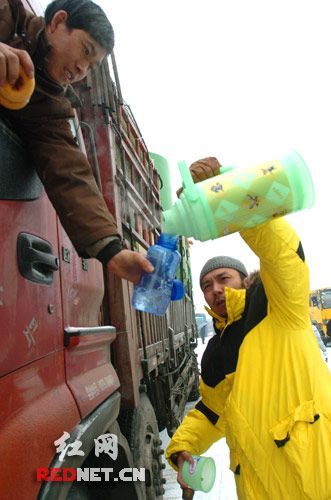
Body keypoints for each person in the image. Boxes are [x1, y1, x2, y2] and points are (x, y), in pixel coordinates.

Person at [166, 158, 331, 499]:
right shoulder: (215, 353)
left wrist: (224, 197)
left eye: (223, 278)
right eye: (206, 285)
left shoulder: (277, 305)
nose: (214, 289)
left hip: (317, 474)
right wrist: (182, 448)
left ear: (244, 279)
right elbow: (211, 413)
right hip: (257, 488)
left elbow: (281, 252)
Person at [0, 0, 152, 283]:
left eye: (92, 65)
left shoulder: (48, 106)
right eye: (86, 51)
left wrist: (112, 251)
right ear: (58, 22)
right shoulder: (7, 12)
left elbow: (69, 171)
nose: (83, 69)